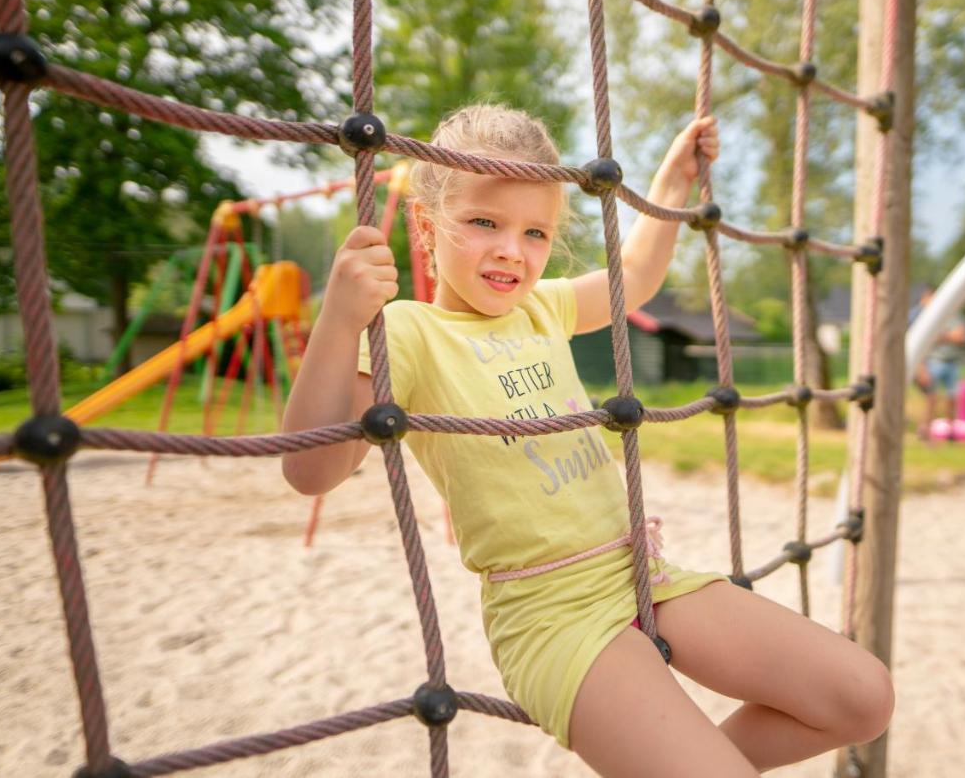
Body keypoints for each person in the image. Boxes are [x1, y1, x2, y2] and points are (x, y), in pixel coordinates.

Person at [281, 104, 893, 777]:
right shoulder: (409, 332)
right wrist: (339, 320)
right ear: (427, 226)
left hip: (644, 575)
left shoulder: (541, 307)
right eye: (485, 222)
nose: (512, 250)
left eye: (536, 231)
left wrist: (669, 187)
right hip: (552, 615)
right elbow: (311, 470)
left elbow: (637, 275)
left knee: (862, 698)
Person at [910, 285, 965, 438]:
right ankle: (924, 429)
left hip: (951, 362)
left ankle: (951, 431)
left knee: (952, 398)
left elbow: (960, 337)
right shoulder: (920, 316)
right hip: (932, 362)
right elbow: (919, 340)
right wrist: (921, 368)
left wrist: (941, 336)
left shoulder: (952, 314)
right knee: (931, 397)